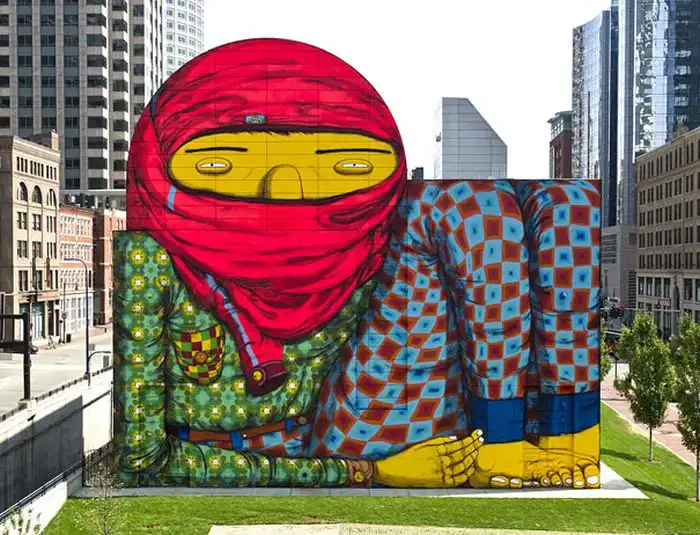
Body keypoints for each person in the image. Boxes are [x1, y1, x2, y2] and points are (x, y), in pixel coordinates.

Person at [115, 38, 601, 489]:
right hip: (337, 441)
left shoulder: (369, 234)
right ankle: (501, 440)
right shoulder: (151, 260)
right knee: (468, 206)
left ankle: (558, 432)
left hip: (362, 394)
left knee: (561, 205)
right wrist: (365, 471)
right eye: (219, 165)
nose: (286, 189)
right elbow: (144, 460)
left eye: (347, 165)